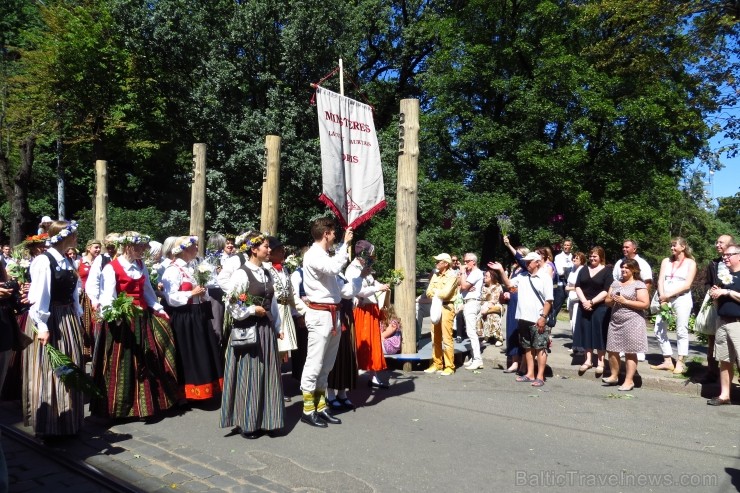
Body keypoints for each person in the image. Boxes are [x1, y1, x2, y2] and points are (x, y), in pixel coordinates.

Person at [91, 231, 180, 420]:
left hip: (142, 318)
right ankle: (119, 407)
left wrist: (158, 308)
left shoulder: (141, 265)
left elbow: (147, 291)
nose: (143, 250)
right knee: (122, 362)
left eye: (143, 247)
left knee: (145, 360)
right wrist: (114, 315)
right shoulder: (112, 268)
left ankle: (145, 406)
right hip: (122, 319)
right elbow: (108, 297)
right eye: (139, 247)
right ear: (127, 246)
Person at [220, 232, 285, 438]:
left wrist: (277, 326)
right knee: (250, 374)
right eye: (265, 246)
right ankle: (247, 422)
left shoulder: (266, 273)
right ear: (254, 249)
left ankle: (268, 420)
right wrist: (250, 310)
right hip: (247, 330)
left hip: (265, 330)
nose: (269, 250)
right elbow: (230, 303)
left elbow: (272, 302)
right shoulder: (242, 273)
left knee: (268, 374)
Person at [26, 220, 85, 437]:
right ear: (64, 237)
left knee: (70, 366)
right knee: (53, 370)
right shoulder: (44, 261)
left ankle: (71, 422)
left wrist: (77, 316)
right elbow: (39, 296)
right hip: (53, 320)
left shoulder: (67, 260)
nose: (77, 239)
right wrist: (42, 325)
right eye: (74, 235)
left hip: (68, 317)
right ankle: (52, 425)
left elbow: (74, 293)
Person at [299, 218, 352, 428]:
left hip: (332, 314)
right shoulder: (312, 255)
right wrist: (346, 245)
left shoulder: (325, 254)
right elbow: (331, 269)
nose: (335, 236)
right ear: (326, 233)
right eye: (333, 232)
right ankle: (307, 409)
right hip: (320, 314)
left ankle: (321, 406)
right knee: (314, 363)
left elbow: (335, 278)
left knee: (327, 365)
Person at [162, 236, 223, 402]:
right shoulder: (173, 270)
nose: (197, 248)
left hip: (198, 314)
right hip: (184, 316)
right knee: (187, 353)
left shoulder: (193, 267)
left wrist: (202, 295)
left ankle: (204, 389)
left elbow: (203, 290)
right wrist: (191, 293)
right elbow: (170, 297)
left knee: (202, 351)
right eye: (194, 246)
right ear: (185, 250)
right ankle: (185, 393)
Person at [491, 252, 553, 387]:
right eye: (525, 261)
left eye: (529, 261)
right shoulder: (522, 276)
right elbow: (509, 285)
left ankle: (540, 376)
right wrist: (501, 270)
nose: (526, 263)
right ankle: (530, 374)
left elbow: (549, 300)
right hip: (523, 318)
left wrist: (543, 317)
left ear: (537, 262)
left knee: (540, 347)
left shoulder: (545, 278)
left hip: (538, 318)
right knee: (528, 347)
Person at [346, 240, 391, 388]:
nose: (372, 257)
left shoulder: (365, 268)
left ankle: (373, 375)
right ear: (363, 254)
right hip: (361, 310)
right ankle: (353, 372)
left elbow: (372, 283)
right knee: (361, 342)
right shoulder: (352, 270)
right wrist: (377, 289)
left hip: (371, 309)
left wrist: (382, 285)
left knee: (373, 343)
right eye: (370, 254)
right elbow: (358, 291)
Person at [650, 237, 697, 374]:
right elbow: (660, 281)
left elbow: (687, 285)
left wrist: (668, 295)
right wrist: (663, 297)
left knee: (681, 329)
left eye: (674, 245)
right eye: (671, 246)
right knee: (659, 328)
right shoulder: (666, 261)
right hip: (665, 298)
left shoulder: (690, 263)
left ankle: (680, 362)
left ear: (683, 247)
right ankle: (667, 360)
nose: (672, 248)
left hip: (682, 298)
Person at [604, 259, 650, 391]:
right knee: (612, 349)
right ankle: (614, 376)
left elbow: (644, 304)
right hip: (616, 321)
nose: (624, 270)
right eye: (622, 267)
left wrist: (625, 301)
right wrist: (612, 299)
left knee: (630, 351)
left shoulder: (638, 284)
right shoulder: (615, 283)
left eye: (627, 268)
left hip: (633, 321)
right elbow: (607, 301)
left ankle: (629, 381)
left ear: (634, 270)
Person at [698, 235, 734, 382]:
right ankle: (712, 371)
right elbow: (707, 282)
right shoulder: (713, 263)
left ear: (731, 245)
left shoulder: (736, 264)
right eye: (716, 242)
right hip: (716, 305)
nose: (717, 244)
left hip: (733, 305)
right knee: (713, 339)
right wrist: (711, 290)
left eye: (721, 242)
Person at [707, 243, 740, 406]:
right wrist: (715, 293)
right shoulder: (725, 276)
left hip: (738, 324)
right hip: (723, 322)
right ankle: (725, 395)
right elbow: (720, 298)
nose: (725, 258)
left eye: (729, 255)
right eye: (724, 255)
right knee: (724, 360)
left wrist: (727, 292)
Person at [612, 239, 653, 362]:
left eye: (627, 247)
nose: (624, 249)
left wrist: (638, 298)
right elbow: (616, 281)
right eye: (623, 247)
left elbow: (648, 282)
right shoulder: (619, 262)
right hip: (620, 303)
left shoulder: (642, 263)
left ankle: (638, 352)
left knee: (635, 329)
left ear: (634, 249)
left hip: (635, 301)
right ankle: (622, 350)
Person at [574, 247, 612, 377]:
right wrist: (585, 301)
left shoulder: (607, 271)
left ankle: (601, 362)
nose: (592, 258)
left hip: (600, 307)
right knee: (586, 333)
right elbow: (577, 286)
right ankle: (588, 360)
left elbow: (607, 290)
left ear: (601, 257)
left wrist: (592, 302)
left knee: (599, 334)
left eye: (595, 256)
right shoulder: (583, 269)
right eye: (590, 256)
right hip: (584, 305)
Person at [424, 253, 460, 376]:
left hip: (447, 307)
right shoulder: (435, 274)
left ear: (445, 263)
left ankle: (449, 366)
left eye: (438, 261)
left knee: (447, 337)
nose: (436, 263)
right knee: (435, 337)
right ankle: (437, 363)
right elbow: (428, 292)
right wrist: (437, 292)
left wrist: (435, 291)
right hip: (436, 306)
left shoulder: (452, 276)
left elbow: (445, 294)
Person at [500, 236, 529, 374]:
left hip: (521, 302)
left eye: (518, 254)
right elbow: (510, 285)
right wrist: (508, 292)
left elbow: (521, 260)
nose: (515, 258)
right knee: (511, 330)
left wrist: (509, 245)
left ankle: (523, 363)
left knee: (520, 332)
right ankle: (514, 361)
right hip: (513, 301)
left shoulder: (526, 269)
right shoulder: (516, 269)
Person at [78, 239, 102, 361]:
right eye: (95, 247)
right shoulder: (80, 262)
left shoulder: (101, 262)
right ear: (88, 248)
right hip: (84, 296)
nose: (98, 250)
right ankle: (85, 351)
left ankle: (97, 350)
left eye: (99, 247)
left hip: (97, 296)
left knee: (97, 322)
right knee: (86, 323)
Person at [460, 253, 484, 370]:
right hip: (469, 302)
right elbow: (460, 285)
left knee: (471, 332)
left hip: (472, 302)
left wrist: (463, 273)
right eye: (464, 261)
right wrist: (466, 285)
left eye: (466, 261)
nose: (464, 264)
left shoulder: (476, 273)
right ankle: (473, 356)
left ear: (473, 262)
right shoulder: (471, 274)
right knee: (470, 332)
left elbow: (463, 286)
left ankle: (477, 359)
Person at [565, 252, 587, 353]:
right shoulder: (572, 269)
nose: (574, 259)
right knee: (571, 321)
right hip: (571, 298)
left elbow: (582, 286)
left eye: (577, 258)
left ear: (582, 259)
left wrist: (569, 287)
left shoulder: (583, 269)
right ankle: (575, 344)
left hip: (578, 299)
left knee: (575, 322)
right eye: (573, 257)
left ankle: (581, 346)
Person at [478, 269, 504, 346]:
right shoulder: (483, 286)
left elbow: (494, 300)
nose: (484, 277)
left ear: (492, 277)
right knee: (480, 315)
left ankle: (498, 337)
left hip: (495, 306)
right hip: (483, 305)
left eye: (486, 276)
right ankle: (486, 336)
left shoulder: (497, 286)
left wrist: (486, 308)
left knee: (492, 315)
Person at [553, 239, 574, 319]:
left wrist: (566, 270)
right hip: (561, 285)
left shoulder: (573, 257)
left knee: (572, 308)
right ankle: (548, 326)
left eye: (568, 245)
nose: (566, 247)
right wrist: (570, 271)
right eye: (565, 245)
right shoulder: (558, 257)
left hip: (572, 286)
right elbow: (560, 272)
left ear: (571, 247)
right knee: (556, 308)